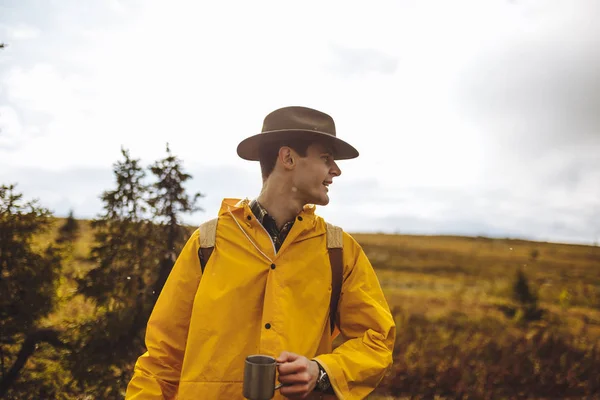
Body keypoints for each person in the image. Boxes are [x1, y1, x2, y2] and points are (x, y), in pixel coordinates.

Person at [125, 106, 396, 399]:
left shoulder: (339, 250)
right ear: (288, 158)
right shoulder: (208, 242)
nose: (336, 171)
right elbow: (163, 356)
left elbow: (376, 341)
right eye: (326, 158)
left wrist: (321, 370)